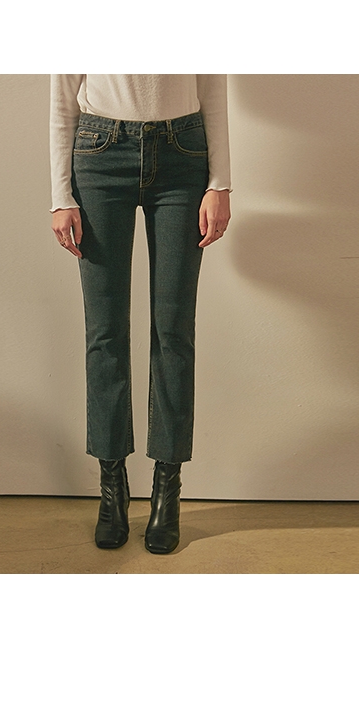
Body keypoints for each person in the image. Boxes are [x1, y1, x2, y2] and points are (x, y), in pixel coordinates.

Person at [49, 75, 232, 554]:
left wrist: (220, 183)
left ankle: (167, 489)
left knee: (173, 330)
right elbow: (63, 99)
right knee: (105, 332)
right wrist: (61, 196)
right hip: (99, 154)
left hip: (183, 155)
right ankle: (112, 488)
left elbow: (213, 87)